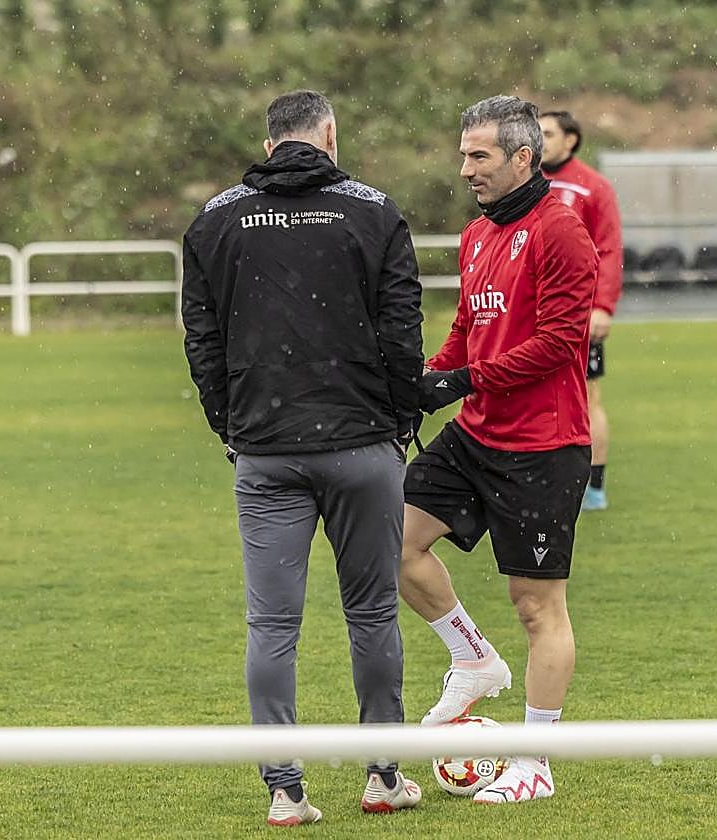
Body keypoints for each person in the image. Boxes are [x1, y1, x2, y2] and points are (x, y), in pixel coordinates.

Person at [181, 89, 424, 827]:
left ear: (269, 143)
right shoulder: (375, 210)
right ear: (328, 135)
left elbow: (203, 341)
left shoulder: (217, 218)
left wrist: (231, 426)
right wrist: (400, 418)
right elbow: (402, 331)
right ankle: (384, 774)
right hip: (361, 445)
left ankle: (285, 789)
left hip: (265, 449)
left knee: (272, 624)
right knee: (374, 614)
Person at [400, 95, 596, 804]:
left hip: (544, 447)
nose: (465, 169)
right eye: (463, 155)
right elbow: (468, 327)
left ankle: (535, 762)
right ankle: (473, 659)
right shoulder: (478, 233)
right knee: (392, 544)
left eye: (478, 156)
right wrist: (430, 381)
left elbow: (559, 344)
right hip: (476, 435)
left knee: (538, 607)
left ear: (522, 157)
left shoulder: (562, 231)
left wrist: (466, 377)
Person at [539, 110, 623, 511]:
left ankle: (594, 486)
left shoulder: (593, 187)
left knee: (587, 397)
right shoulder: (524, 183)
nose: (540, 140)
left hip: (577, 314)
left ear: (570, 139)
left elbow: (609, 249)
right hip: (530, 311)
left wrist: (602, 306)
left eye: (548, 133)